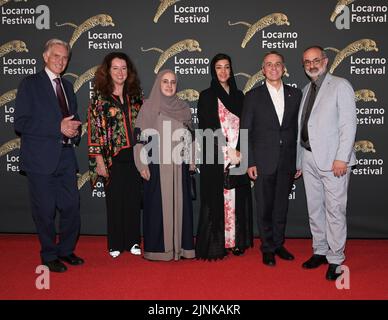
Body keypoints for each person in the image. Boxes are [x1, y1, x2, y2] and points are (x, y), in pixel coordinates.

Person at [14, 39, 83, 273]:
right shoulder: (30, 84)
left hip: (65, 156)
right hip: (40, 159)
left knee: (72, 207)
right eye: (56, 56)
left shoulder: (69, 86)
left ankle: (66, 250)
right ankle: (49, 254)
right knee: (44, 211)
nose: (60, 61)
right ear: (45, 56)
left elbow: (72, 120)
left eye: (64, 58)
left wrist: (75, 130)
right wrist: (57, 127)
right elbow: (21, 122)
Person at [297, 46, 357, 280]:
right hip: (309, 157)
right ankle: (320, 250)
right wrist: (299, 161)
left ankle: (336, 258)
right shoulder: (305, 90)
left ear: (325, 60)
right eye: (307, 62)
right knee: (315, 209)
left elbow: (348, 124)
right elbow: (302, 127)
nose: (312, 65)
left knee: (334, 210)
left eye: (316, 60)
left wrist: (342, 157)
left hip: (334, 161)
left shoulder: (340, 85)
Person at [241, 51, 302, 266]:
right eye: (269, 64)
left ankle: (278, 244)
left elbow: (299, 131)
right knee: (265, 207)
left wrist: (299, 161)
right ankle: (267, 247)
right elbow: (245, 131)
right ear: (263, 69)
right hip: (263, 161)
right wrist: (249, 161)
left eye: (277, 64)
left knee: (281, 206)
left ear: (283, 68)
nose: (274, 68)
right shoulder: (253, 96)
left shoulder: (296, 95)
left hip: (287, 161)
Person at [195, 53, 253, 260]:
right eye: (218, 67)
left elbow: (247, 127)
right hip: (216, 155)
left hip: (238, 155)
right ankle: (217, 243)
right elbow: (206, 129)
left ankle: (237, 241)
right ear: (213, 70)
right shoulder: (206, 96)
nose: (223, 71)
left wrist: (239, 151)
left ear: (231, 70)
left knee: (237, 198)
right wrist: (226, 150)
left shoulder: (240, 96)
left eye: (227, 67)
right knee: (216, 198)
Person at [134, 69, 195, 261]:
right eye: (165, 82)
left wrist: (192, 160)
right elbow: (139, 139)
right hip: (156, 165)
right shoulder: (148, 108)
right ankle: (159, 251)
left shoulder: (183, 108)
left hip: (179, 165)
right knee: (157, 208)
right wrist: (141, 163)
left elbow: (190, 137)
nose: (169, 85)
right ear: (158, 84)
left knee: (180, 206)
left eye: (173, 82)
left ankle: (181, 249)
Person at [87, 52, 143, 259]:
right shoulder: (99, 100)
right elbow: (93, 132)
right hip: (111, 158)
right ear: (108, 72)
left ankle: (134, 241)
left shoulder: (136, 97)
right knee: (115, 201)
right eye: (115, 68)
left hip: (136, 156)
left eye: (124, 68)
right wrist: (99, 161)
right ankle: (115, 243)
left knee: (133, 200)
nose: (120, 72)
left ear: (129, 72)